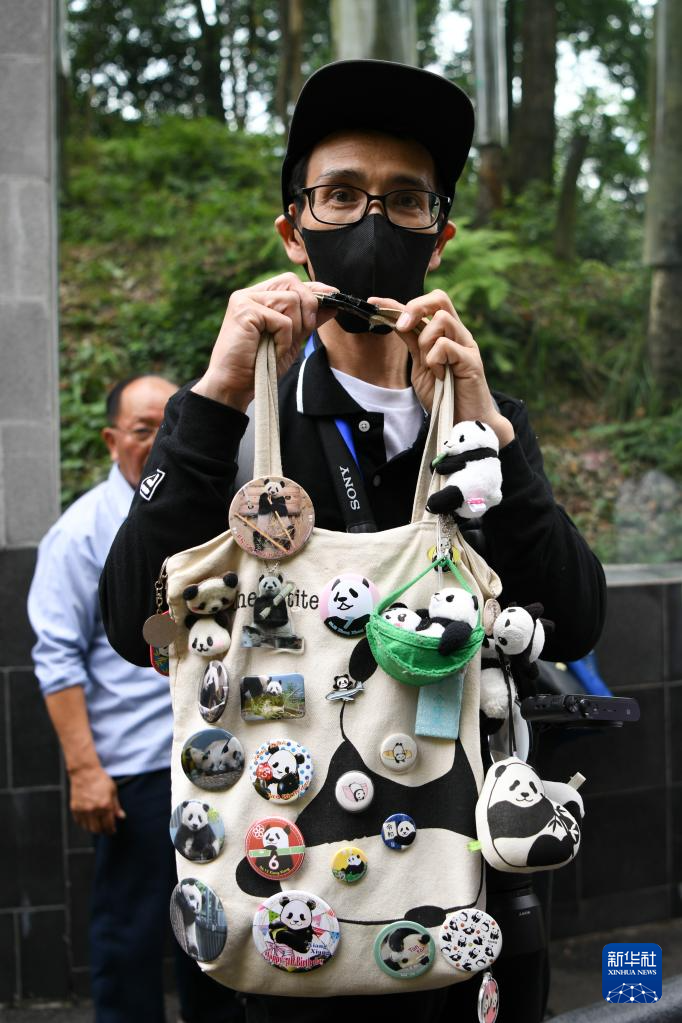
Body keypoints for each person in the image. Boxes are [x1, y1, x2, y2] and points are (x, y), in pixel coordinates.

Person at [100, 62, 606, 1023]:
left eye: (406, 199)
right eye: (340, 194)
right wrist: (212, 398)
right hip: (274, 911)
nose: (373, 221)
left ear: (439, 237)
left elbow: (577, 618)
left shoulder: (482, 428)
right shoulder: (241, 431)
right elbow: (138, 624)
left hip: (462, 912)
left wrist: (493, 434)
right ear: (294, 230)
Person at [28, 375, 243, 1023]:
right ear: (111, 439)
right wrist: (84, 770)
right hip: (138, 772)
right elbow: (56, 657)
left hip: (216, 764)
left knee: (216, 928)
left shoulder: (215, 512)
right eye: (142, 429)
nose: (154, 442)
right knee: (130, 933)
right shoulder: (80, 532)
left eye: (165, 427)